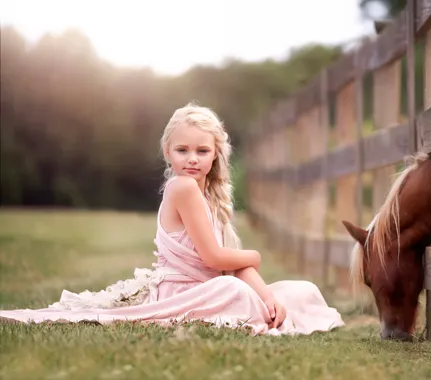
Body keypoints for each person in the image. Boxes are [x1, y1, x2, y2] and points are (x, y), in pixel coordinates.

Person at [0, 102, 345, 336]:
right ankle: (252, 305)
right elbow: (216, 260)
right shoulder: (182, 188)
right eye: (183, 150)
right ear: (168, 151)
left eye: (202, 151)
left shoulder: (208, 195)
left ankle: (264, 305)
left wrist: (267, 297)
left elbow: (231, 264)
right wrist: (254, 257)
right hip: (183, 290)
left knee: (300, 291)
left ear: (216, 155)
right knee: (233, 289)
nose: (192, 159)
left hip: (211, 286)